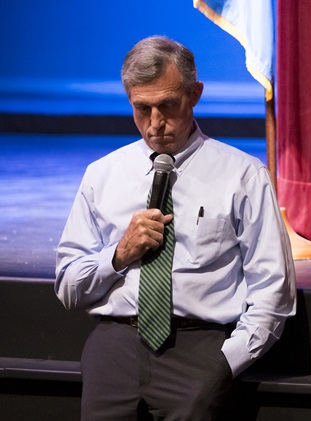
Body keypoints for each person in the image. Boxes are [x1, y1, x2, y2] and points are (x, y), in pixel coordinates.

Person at [55, 35, 296, 420]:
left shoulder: (243, 175)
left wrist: (225, 363)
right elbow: (68, 287)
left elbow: (273, 290)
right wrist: (119, 254)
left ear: (194, 94)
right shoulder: (102, 175)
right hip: (113, 349)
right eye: (141, 108)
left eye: (167, 105)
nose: (155, 124)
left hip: (199, 350)